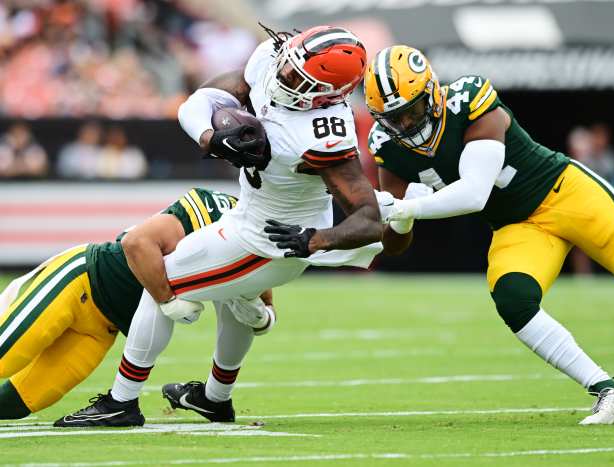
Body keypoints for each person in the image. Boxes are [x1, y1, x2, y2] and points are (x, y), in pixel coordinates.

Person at [56, 24, 385, 427]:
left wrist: (315, 239)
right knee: (233, 299)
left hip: (270, 242)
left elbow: (370, 220)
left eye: (299, 78)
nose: (285, 77)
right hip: (246, 216)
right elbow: (201, 99)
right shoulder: (271, 59)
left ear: (329, 94)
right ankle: (214, 398)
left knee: (164, 280)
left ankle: (121, 402)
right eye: (288, 66)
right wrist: (211, 137)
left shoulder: (323, 135)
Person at [365, 45, 614, 425]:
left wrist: (411, 208)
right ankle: (610, 390)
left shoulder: (469, 100)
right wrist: (400, 219)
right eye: (394, 118)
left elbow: (476, 193)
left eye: (411, 110)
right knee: (514, 299)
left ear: (433, 93)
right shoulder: (386, 146)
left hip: (564, 193)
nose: (407, 125)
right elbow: (392, 244)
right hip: (517, 226)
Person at [0, 187, 276, 423]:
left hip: (101, 330)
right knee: (5, 354)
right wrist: (168, 299)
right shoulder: (214, 208)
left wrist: (262, 319)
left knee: (18, 403)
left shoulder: (263, 232)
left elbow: (262, 298)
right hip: (82, 281)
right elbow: (137, 243)